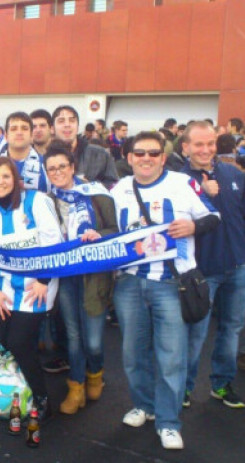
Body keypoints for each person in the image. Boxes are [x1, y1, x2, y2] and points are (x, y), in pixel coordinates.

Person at [111, 131, 220, 450]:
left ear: (163, 156)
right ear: (129, 158)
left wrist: (193, 227)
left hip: (172, 284)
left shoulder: (182, 184)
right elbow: (109, 232)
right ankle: (144, 406)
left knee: (171, 356)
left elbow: (214, 215)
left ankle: (169, 421)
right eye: (139, 153)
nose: (146, 158)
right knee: (133, 353)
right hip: (130, 282)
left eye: (153, 153)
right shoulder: (119, 189)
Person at [0, 157, 62, 422]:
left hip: (35, 285)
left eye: (6, 176)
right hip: (3, 288)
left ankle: (42, 398)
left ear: (15, 180)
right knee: (3, 336)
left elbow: (53, 243)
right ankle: (21, 384)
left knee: (19, 341)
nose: (0, 182)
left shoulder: (35, 201)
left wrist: (44, 281)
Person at [44, 144, 117, 415]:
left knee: (94, 341)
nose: (58, 172)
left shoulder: (97, 195)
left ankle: (95, 373)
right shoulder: (47, 201)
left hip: (93, 276)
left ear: (73, 167)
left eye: (62, 166)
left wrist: (100, 236)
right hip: (66, 276)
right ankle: (76, 387)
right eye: (51, 169)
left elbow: (114, 229)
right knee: (74, 336)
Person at [181, 122, 245, 409]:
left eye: (210, 144)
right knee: (196, 335)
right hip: (203, 272)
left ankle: (221, 383)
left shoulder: (232, 173)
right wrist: (204, 194)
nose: (206, 150)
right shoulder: (179, 180)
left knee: (231, 329)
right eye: (198, 144)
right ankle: (183, 388)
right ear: (186, 147)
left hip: (238, 266)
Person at [52, 105, 118, 188]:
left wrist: (90, 187)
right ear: (52, 128)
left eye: (72, 121)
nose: (67, 125)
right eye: (61, 121)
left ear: (78, 126)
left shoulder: (100, 154)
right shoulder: (45, 157)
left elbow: (113, 185)